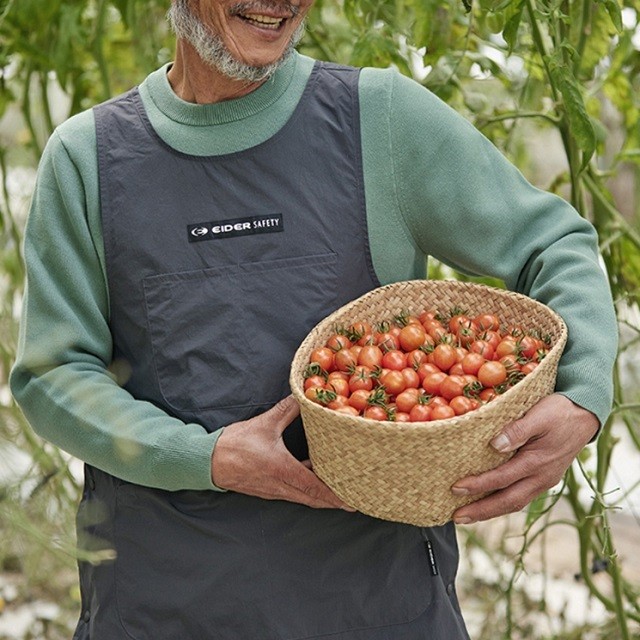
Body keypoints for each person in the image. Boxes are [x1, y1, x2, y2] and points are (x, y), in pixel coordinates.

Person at [10, 0, 617, 637]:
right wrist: (206, 456)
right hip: (162, 611)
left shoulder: (379, 119)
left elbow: (552, 243)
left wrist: (581, 395)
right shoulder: (89, 159)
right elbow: (55, 375)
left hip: (378, 609)